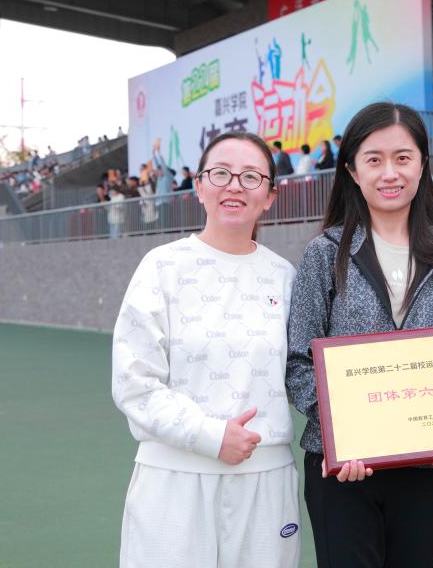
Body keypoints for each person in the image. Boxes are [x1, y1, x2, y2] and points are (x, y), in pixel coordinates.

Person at [286, 102, 433, 568]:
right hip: (342, 472)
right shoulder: (324, 254)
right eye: (374, 159)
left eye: (403, 157)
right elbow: (298, 362)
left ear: (422, 165)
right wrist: (344, 431)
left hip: (425, 470)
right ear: (352, 171)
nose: (389, 172)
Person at [111, 131, 300, 568]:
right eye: (221, 173)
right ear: (198, 186)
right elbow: (134, 383)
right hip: (174, 478)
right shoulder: (161, 266)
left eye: (251, 176)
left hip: (265, 481)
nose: (235, 186)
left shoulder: (285, 276)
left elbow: (308, 373)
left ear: (270, 196)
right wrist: (210, 436)